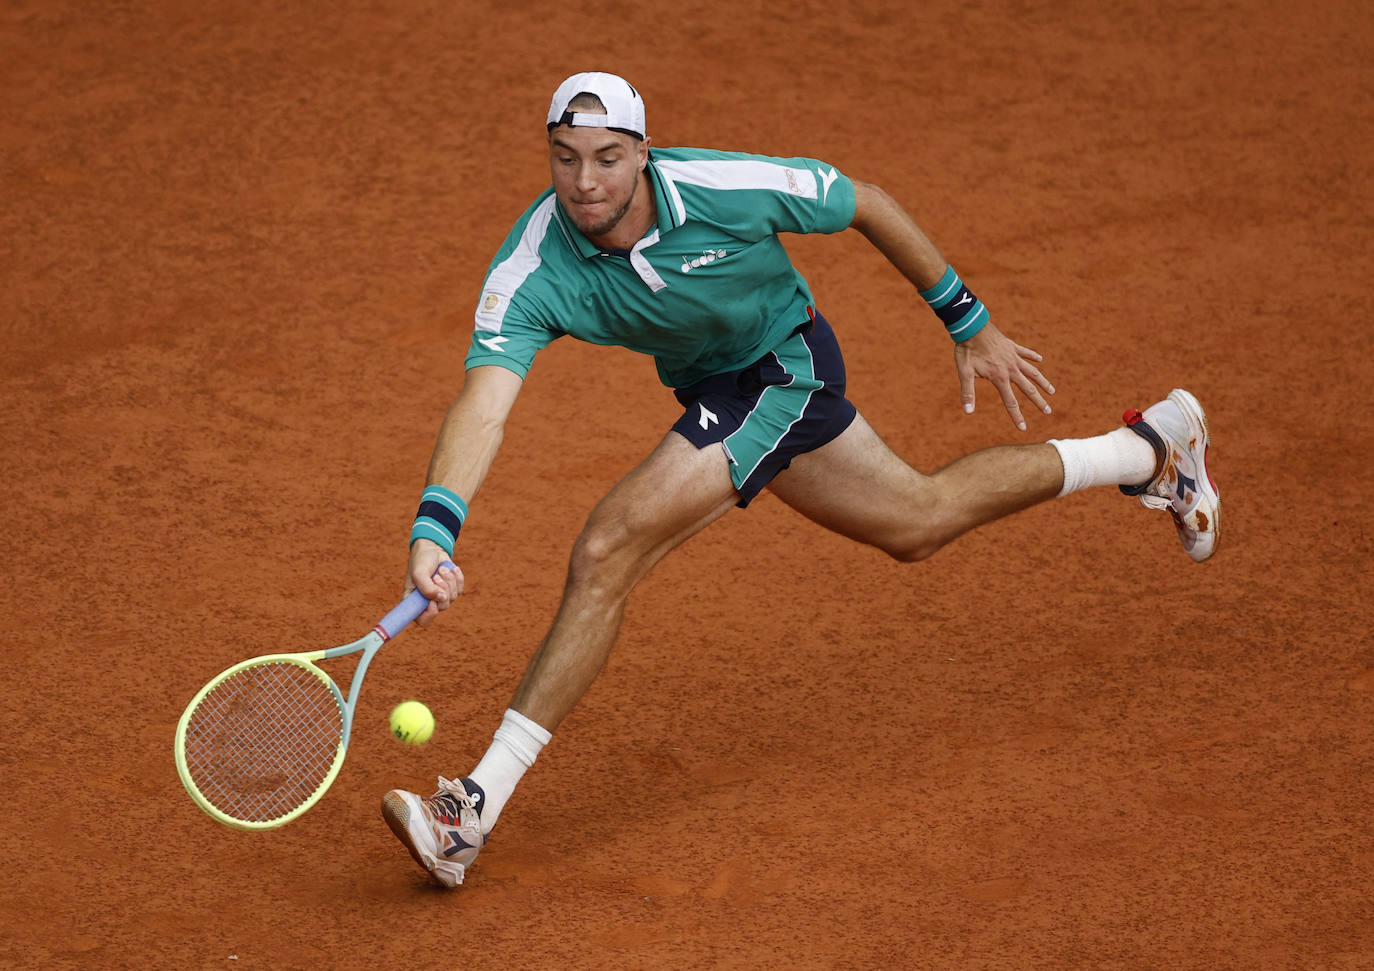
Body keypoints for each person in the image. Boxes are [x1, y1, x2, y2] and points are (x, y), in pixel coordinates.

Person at [380, 72, 1221, 888]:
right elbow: (484, 405)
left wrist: (970, 323)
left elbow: (866, 201)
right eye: (565, 156)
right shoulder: (532, 265)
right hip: (719, 384)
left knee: (608, 546)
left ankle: (472, 809)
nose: (584, 180)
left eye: (606, 157)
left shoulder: (721, 187)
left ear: (644, 152)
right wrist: (433, 529)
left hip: (783, 368)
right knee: (918, 520)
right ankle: (1149, 451)